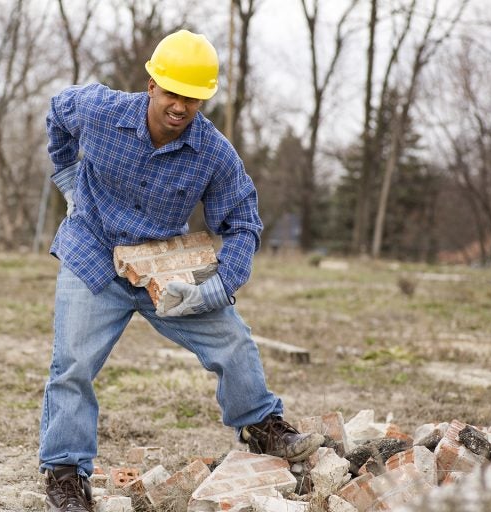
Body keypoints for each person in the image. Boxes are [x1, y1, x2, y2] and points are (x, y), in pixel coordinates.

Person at [39, 29, 324, 512]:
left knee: (233, 342)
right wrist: (67, 177)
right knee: (72, 366)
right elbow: (57, 112)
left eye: (192, 98)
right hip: (93, 252)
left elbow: (243, 222)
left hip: (164, 270)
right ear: (151, 85)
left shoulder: (213, 153)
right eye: (172, 92)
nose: (180, 105)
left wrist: (217, 288)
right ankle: (66, 474)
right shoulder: (99, 111)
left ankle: (261, 424)